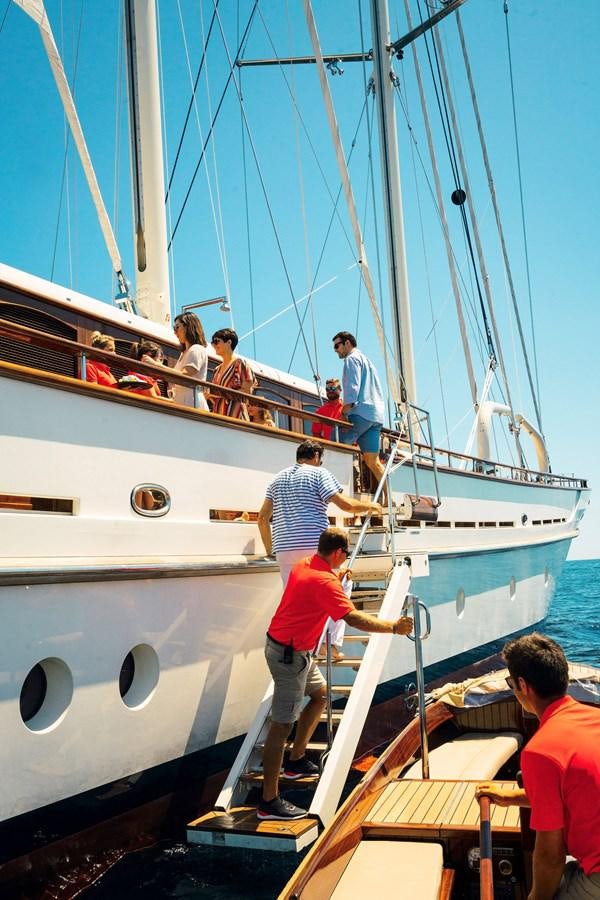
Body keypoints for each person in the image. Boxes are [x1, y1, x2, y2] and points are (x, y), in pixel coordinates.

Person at [258, 527, 413, 821]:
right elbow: (353, 618)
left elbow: (316, 585)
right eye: (346, 554)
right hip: (290, 656)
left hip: (291, 650)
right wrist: (393, 627)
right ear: (339, 552)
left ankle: (296, 760)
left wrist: (337, 575)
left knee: (320, 696)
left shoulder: (304, 565)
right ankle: (268, 802)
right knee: (281, 725)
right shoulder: (325, 582)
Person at [476, 634, 600, 900]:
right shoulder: (594, 717)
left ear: (522, 685)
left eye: (511, 683)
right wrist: (511, 798)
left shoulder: (541, 751)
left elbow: (551, 855)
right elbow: (573, 790)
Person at [258, 439, 382, 661]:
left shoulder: (277, 479)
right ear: (316, 457)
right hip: (314, 546)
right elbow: (346, 505)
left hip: (284, 550)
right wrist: (371, 506)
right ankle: (329, 645)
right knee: (341, 586)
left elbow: (262, 518)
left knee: (297, 600)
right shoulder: (318, 473)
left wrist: (271, 550)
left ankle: (303, 645)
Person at [332, 331, 387, 504]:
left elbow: (352, 389)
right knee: (372, 460)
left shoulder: (351, 359)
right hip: (376, 416)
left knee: (334, 444)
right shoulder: (368, 362)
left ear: (347, 343)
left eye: (337, 346)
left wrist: (343, 413)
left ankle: (336, 495)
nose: (335, 350)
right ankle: (389, 498)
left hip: (360, 413)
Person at [209, 328, 256, 420]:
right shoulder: (217, 369)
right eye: (212, 343)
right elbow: (215, 394)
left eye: (216, 341)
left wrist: (223, 393)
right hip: (219, 415)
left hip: (236, 415)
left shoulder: (239, 364)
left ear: (229, 342)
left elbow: (247, 391)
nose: (214, 345)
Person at [171, 312, 209, 408]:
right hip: (183, 401)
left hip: (192, 401)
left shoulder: (197, 349)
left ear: (188, 327)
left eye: (177, 327)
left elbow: (185, 374)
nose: (175, 332)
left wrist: (157, 365)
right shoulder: (183, 354)